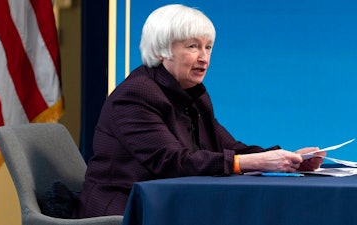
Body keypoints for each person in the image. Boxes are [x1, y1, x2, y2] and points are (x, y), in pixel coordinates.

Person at [73, 4, 325, 218]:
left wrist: (287, 159)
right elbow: (171, 162)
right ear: (162, 51)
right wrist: (254, 162)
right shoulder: (137, 94)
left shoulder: (194, 94)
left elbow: (230, 147)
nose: (204, 57)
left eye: (208, 47)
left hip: (171, 202)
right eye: (193, 46)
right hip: (126, 209)